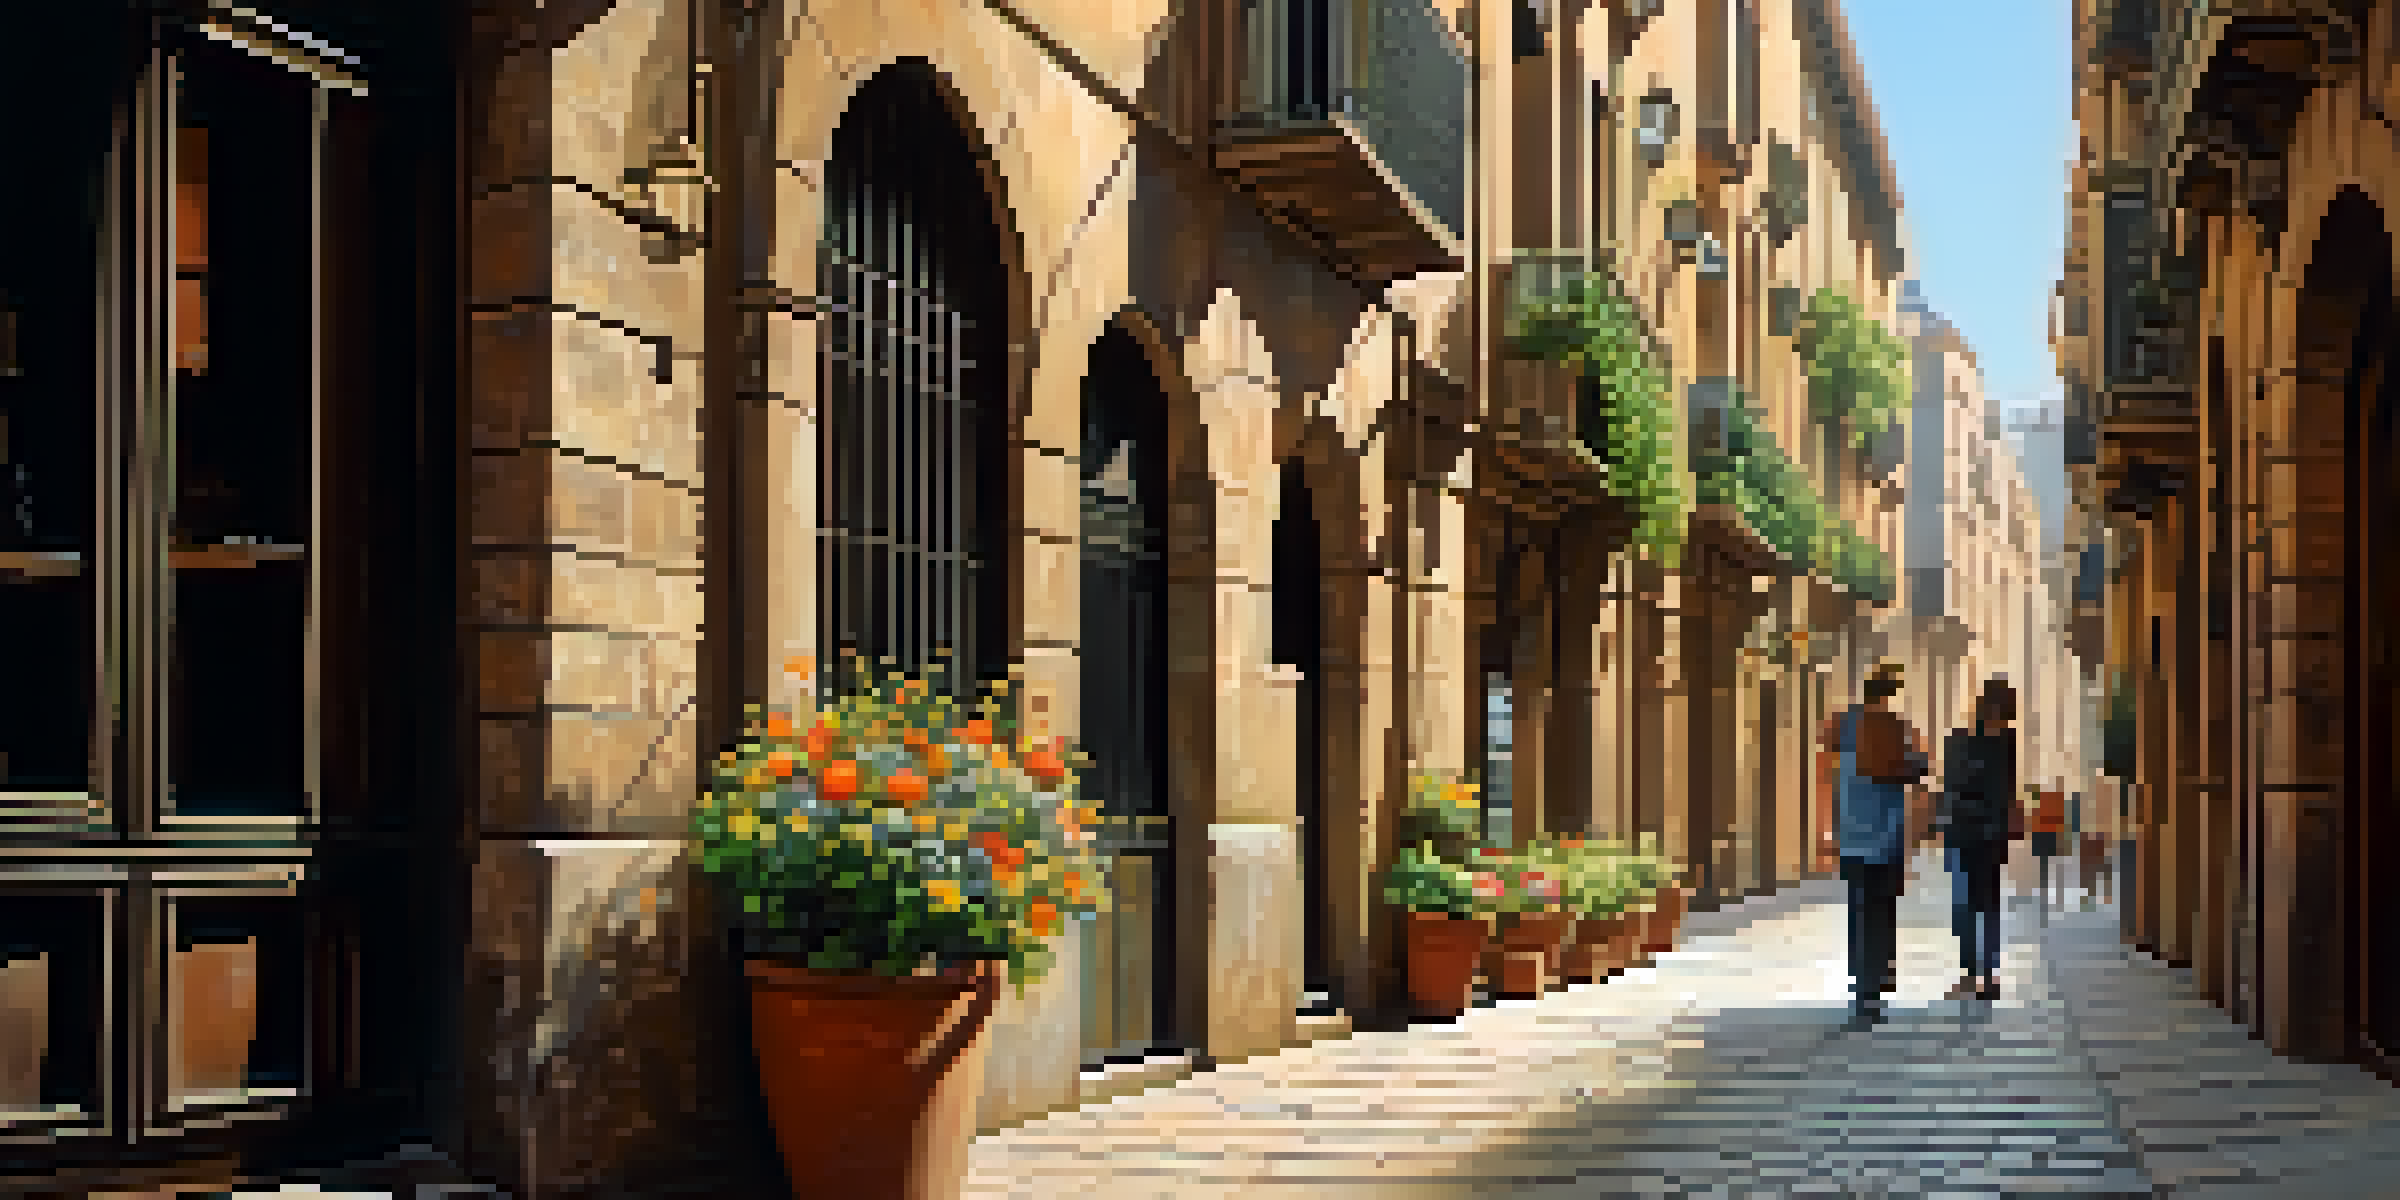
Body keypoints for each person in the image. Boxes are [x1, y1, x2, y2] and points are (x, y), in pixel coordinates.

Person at [1818, 661, 1929, 1030]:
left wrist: (1827, 829)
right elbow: (1919, 769)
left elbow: (1826, 771)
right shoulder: (1897, 729)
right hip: (1888, 838)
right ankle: (1878, 983)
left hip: (1851, 837)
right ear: (1890, 693)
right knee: (1882, 914)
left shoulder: (1841, 726)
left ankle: (1864, 990)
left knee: (1858, 913)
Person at [1937, 679, 2020, 1002]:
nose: (2005, 722)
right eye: (2003, 714)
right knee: (1973, 905)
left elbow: (1963, 788)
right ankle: (1976, 975)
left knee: (1980, 905)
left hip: (1977, 832)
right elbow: (1965, 788)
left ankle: (1982, 975)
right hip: (1973, 832)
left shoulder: (1989, 744)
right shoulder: (1967, 743)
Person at [2030, 780, 2068, 913]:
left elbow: (2058, 819)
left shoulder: (2053, 798)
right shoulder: (2054, 798)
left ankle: (2048, 895)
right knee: (2048, 866)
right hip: (2046, 834)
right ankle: (2047, 895)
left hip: (2047, 834)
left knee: (2048, 866)